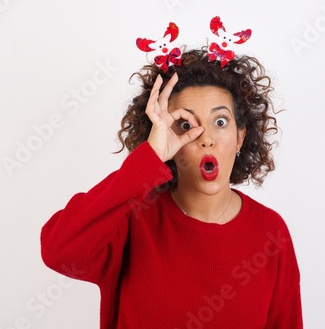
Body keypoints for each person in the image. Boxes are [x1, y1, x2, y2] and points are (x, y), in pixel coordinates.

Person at [41, 44, 303, 328]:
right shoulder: (132, 219)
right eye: (186, 125)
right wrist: (150, 158)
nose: (206, 139)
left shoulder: (270, 232)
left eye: (220, 121)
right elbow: (59, 250)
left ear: (240, 137)